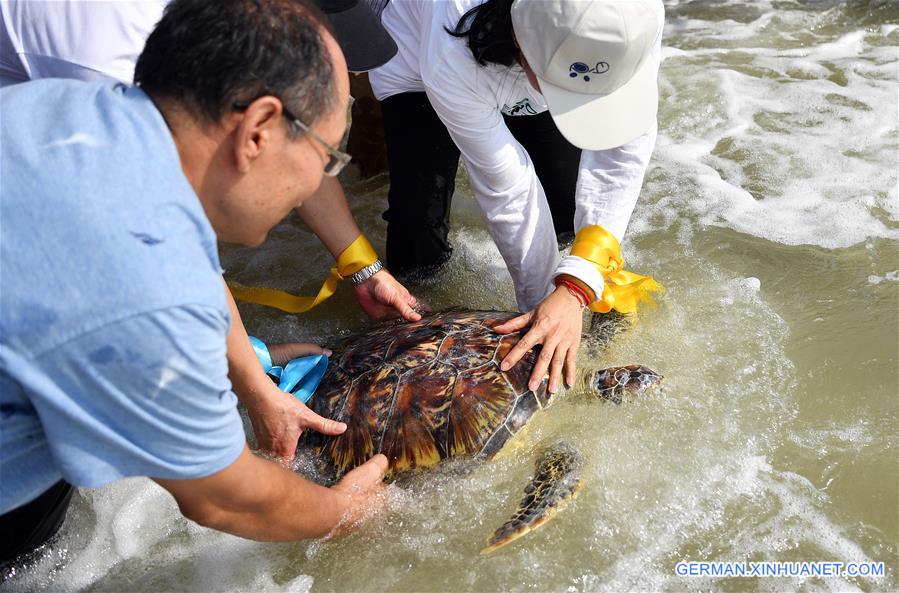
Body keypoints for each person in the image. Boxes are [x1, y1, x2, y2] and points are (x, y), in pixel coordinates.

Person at [0, 0, 388, 566]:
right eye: (329, 159)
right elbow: (225, 498)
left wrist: (247, 364)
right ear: (256, 129)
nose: (315, 185)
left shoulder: (62, 103)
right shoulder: (147, 286)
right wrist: (344, 510)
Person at [368, 0, 664, 395]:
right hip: (418, 62)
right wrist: (542, 313)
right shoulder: (450, 48)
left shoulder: (634, 15)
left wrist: (576, 285)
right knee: (416, 234)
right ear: (520, 46)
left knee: (566, 210)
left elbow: (625, 145)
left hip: (554, 62)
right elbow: (509, 190)